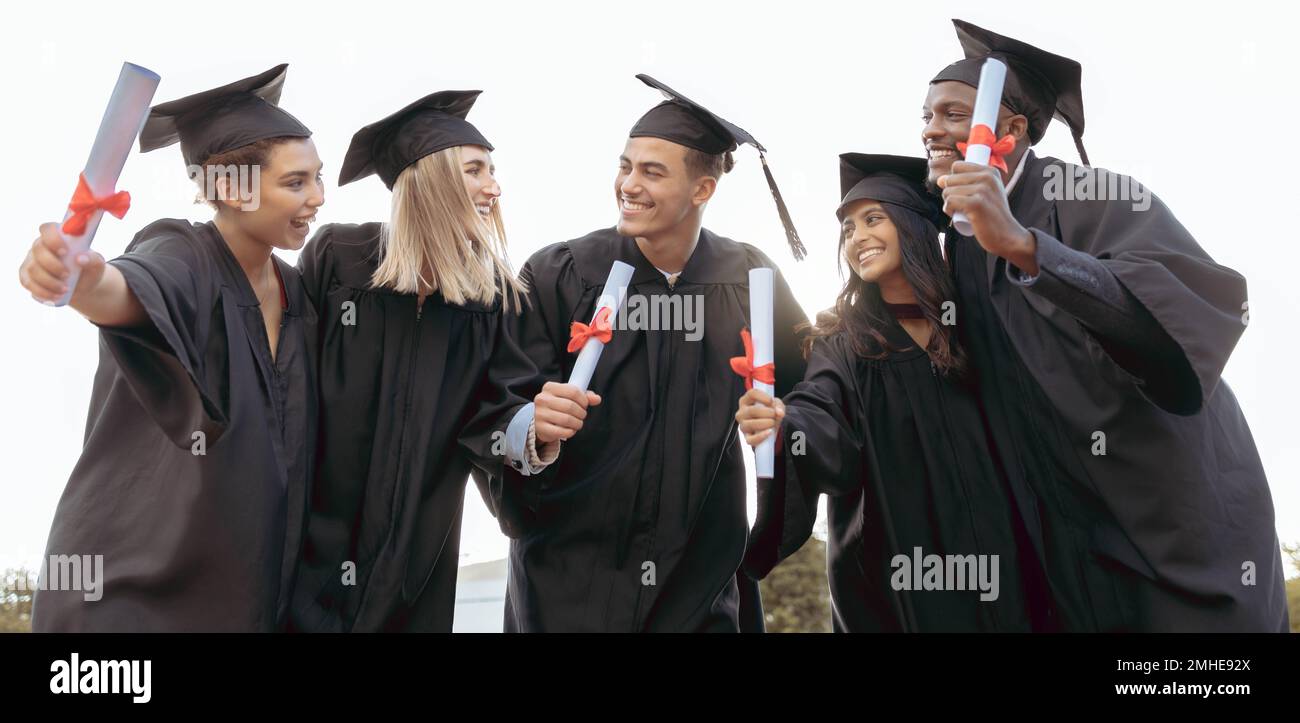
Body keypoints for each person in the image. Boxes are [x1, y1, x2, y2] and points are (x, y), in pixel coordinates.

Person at [925, 19, 1286, 631]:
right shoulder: (958, 245)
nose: (932, 130)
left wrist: (1026, 247)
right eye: (927, 116)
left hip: (1175, 530)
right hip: (1069, 545)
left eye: (955, 114)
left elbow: (1176, 334)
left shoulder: (1098, 198)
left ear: (1009, 132)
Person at [483, 74, 809, 632]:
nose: (628, 185)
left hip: (699, 577)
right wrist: (533, 428)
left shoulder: (747, 281)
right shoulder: (563, 272)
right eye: (625, 166)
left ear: (702, 190)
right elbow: (497, 400)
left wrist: (783, 423)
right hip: (569, 577)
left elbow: (810, 396)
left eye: (651, 172)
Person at [20, 64, 324, 631]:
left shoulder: (297, 293)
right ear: (231, 187)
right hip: (127, 599)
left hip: (238, 600)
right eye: (296, 183)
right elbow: (128, 288)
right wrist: (82, 280)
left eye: (317, 178)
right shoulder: (182, 253)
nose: (318, 198)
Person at [289, 90, 590, 632]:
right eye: (475, 170)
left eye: (493, 172)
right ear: (429, 178)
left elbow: (497, 409)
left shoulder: (491, 296)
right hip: (307, 547)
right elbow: (282, 381)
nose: (493, 188)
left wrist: (534, 428)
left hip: (417, 558)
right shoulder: (338, 258)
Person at [738, 154, 1044, 632]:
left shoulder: (979, 328)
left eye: (872, 219)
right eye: (847, 229)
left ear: (914, 224)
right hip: (895, 577)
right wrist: (785, 424)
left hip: (1005, 566)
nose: (857, 237)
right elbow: (820, 409)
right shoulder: (844, 346)